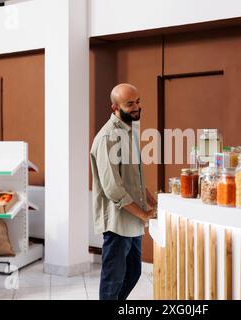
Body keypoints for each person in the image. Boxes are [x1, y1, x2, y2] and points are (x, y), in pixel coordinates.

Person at [90, 83, 157, 300]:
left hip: (133, 222)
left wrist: (153, 203)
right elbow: (114, 189)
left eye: (138, 101)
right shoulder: (107, 138)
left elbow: (135, 180)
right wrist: (145, 214)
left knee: (134, 272)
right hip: (117, 223)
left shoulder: (129, 132)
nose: (137, 107)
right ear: (114, 108)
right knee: (113, 280)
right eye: (130, 104)